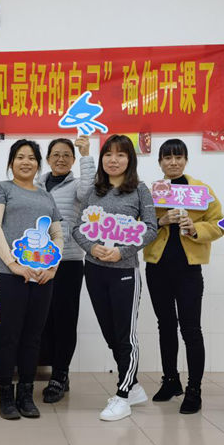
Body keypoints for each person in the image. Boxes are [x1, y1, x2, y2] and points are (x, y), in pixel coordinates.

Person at [72, 134, 157, 421]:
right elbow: (77, 228)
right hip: (95, 271)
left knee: (125, 336)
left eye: (121, 155)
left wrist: (122, 252)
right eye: (108, 154)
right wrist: (91, 247)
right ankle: (134, 387)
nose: (113, 160)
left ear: (130, 160)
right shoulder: (94, 191)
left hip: (124, 273)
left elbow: (151, 228)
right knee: (111, 334)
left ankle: (123, 396)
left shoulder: (140, 190)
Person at [143, 139, 223, 414]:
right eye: (167, 158)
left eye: (178, 157)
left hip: (189, 270)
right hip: (157, 268)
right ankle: (170, 381)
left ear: (186, 160)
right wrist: (160, 221)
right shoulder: (152, 193)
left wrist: (195, 227)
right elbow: (138, 226)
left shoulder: (202, 190)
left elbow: (218, 224)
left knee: (191, 329)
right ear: (160, 163)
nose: (173, 162)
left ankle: (194, 389)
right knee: (165, 326)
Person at [0, 139, 64, 419]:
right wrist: (12, 264)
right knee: (8, 336)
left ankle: (26, 395)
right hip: (9, 274)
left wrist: (53, 267)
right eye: (20, 157)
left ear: (38, 164)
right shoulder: (2, 189)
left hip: (42, 276)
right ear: (11, 162)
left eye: (31, 158)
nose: (26, 162)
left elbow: (57, 234)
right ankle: (6, 395)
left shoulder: (46, 196)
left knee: (33, 337)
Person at [37, 137, 95, 403]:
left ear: (72, 160)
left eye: (66, 155)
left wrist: (86, 155)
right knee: (44, 320)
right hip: (38, 261)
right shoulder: (36, 185)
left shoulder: (77, 186)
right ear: (48, 159)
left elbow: (89, 192)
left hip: (68, 261)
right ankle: (57, 370)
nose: (60, 159)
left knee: (65, 320)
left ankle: (60, 375)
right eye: (56, 154)